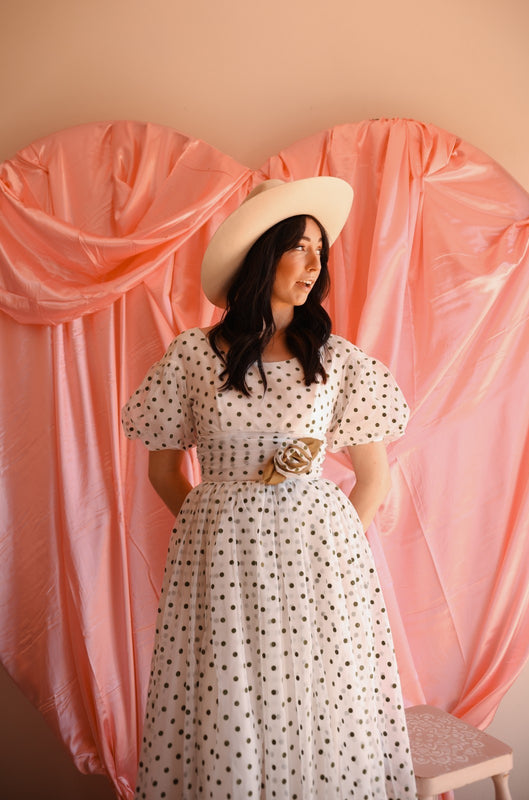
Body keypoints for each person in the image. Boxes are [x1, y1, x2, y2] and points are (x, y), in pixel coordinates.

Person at [122, 177, 417, 799]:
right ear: (264, 253)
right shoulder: (191, 357)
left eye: (320, 251)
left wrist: (328, 548)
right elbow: (164, 471)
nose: (316, 263)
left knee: (314, 703)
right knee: (230, 700)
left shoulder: (336, 360)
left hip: (316, 569)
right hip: (221, 569)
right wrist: (220, 528)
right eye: (300, 247)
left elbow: (373, 478)